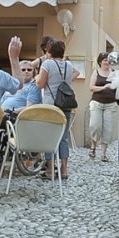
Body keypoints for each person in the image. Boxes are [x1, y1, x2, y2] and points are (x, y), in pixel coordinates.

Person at [35, 38, 76, 180]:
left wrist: (36, 78)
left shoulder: (47, 64)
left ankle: (50, 170)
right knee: (63, 138)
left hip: (51, 105)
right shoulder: (69, 65)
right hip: (65, 104)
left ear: (50, 51)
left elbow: (40, 84)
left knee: (49, 137)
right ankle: (64, 170)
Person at [87, 52, 118, 162]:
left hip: (111, 104)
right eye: (104, 60)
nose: (106, 62)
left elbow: (118, 86)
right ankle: (93, 146)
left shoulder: (114, 73)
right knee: (95, 126)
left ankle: (103, 154)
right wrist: (103, 87)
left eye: (108, 60)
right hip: (97, 102)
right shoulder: (96, 72)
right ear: (100, 62)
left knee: (108, 129)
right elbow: (91, 87)